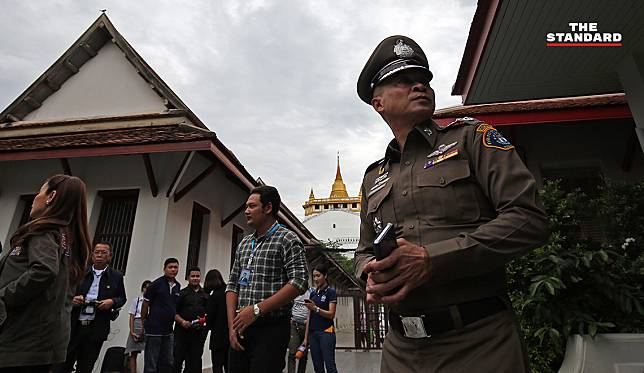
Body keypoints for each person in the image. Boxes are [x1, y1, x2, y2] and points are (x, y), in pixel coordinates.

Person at [353, 36, 550, 373]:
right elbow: (363, 251)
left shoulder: (472, 139)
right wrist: (369, 275)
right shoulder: (375, 177)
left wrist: (434, 259)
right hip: (401, 350)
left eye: (424, 80)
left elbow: (529, 219)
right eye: (403, 80)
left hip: (479, 343)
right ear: (378, 102)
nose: (420, 86)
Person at [0, 174, 91, 373]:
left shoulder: (44, 231)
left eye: (40, 191)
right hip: (45, 342)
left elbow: (43, 271)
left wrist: (4, 296)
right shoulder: (70, 240)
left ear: (51, 196)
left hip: (21, 339)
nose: (35, 197)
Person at [226, 186, 309, 373]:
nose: (246, 211)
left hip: (271, 329)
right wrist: (232, 326)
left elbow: (299, 281)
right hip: (240, 327)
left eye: (252, 206)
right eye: (246, 206)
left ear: (268, 208)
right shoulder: (245, 243)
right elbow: (232, 285)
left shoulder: (287, 239)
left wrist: (256, 310)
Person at [56, 242, 127, 373]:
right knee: (63, 363)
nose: (100, 255)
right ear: (92, 256)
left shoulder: (116, 276)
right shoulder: (80, 272)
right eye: (97, 252)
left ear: (110, 256)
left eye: (104, 252)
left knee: (86, 365)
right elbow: (65, 292)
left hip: (97, 326)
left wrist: (111, 301)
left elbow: (122, 298)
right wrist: (73, 299)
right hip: (74, 325)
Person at [142, 257, 181, 373]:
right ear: (164, 269)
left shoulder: (177, 286)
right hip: (154, 330)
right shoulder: (156, 284)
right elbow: (145, 303)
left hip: (168, 330)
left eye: (175, 267)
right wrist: (144, 321)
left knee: (168, 362)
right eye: (170, 267)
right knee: (151, 364)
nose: (173, 270)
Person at [174, 267, 209, 373]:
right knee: (176, 361)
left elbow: (209, 315)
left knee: (195, 363)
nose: (195, 278)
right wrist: (182, 322)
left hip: (198, 335)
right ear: (188, 278)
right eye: (193, 276)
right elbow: (173, 312)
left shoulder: (205, 295)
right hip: (181, 333)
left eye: (197, 276)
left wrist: (203, 321)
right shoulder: (181, 293)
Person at [304, 264, 337, 373]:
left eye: (318, 276)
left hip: (326, 332)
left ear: (325, 276)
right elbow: (309, 315)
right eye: (314, 276)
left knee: (330, 366)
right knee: (317, 367)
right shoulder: (312, 294)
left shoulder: (331, 292)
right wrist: (306, 337)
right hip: (313, 334)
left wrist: (316, 309)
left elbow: (331, 314)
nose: (316, 279)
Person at [204, 269, 229, 373]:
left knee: (217, 364)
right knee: (229, 364)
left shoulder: (214, 296)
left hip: (218, 335)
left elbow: (210, 316)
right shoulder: (228, 291)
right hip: (230, 332)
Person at [126, 280, 152, 373]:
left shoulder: (153, 302)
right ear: (143, 288)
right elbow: (132, 317)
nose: (147, 289)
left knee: (149, 352)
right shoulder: (136, 301)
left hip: (148, 325)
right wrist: (132, 331)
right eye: (146, 287)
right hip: (137, 324)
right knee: (133, 352)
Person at [287, 286, 312, 373]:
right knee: (292, 353)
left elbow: (311, 309)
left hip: (306, 326)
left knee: (303, 354)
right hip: (294, 324)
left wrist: (308, 321)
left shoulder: (311, 292)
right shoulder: (294, 290)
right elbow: (288, 304)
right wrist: (290, 318)